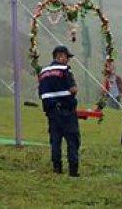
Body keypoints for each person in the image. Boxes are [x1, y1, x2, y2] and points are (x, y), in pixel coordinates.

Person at [38, 45, 80, 177]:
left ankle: (57, 168)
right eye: (67, 57)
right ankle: (73, 170)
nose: (67, 60)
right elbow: (73, 89)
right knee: (72, 139)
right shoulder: (65, 69)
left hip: (51, 112)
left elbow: (41, 93)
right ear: (60, 56)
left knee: (55, 140)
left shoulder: (43, 72)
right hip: (66, 111)